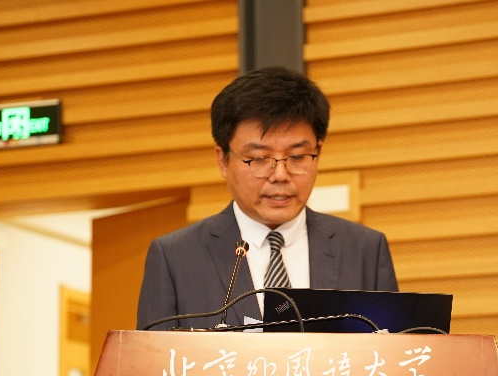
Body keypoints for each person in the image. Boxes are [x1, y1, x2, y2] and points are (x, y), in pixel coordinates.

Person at [137, 66, 398, 330]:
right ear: (223, 160)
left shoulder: (364, 250)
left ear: (318, 152)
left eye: (297, 156)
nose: (280, 175)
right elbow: (151, 355)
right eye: (259, 158)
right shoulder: (176, 258)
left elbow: (392, 351)